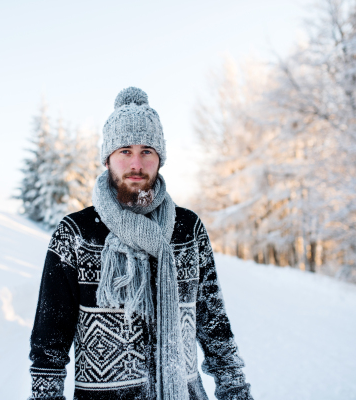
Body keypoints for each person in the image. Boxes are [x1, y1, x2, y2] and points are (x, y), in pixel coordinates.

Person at [29, 87, 253, 400]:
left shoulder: (187, 229)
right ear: (107, 159)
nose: (136, 163)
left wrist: (237, 392)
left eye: (147, 151)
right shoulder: (76, 233)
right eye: (125, 151)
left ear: (160, 158)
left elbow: (215, 328)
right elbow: (48, 343)